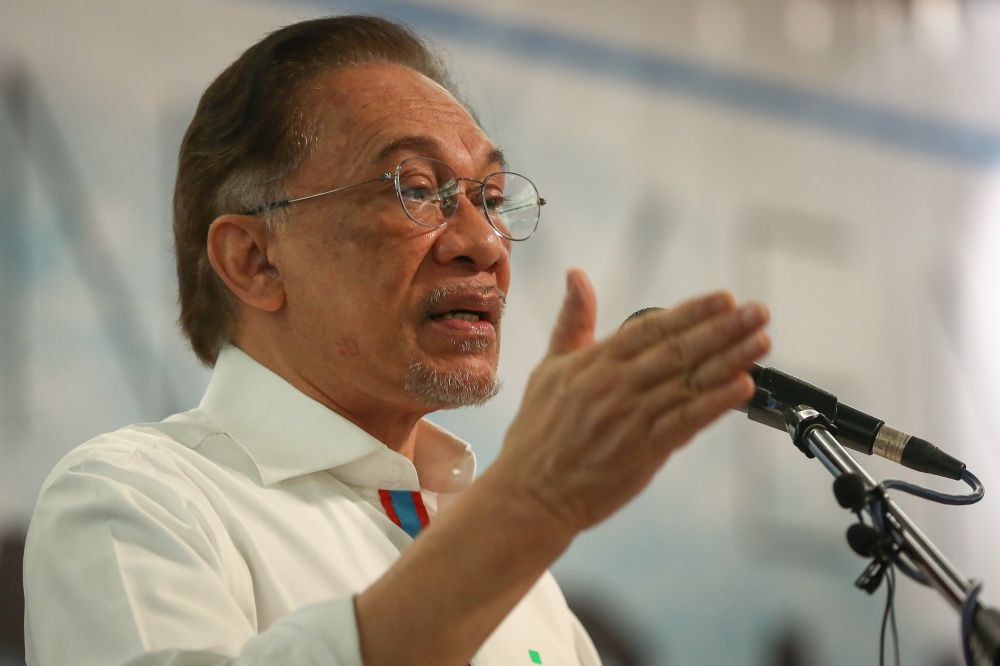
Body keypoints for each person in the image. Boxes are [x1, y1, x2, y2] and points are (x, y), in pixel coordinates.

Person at [22, 15, 771, 666]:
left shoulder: (526, 593)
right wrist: (529, 505)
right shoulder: (136, 498)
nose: (485, 243)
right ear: (254, 260)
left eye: (489, 194)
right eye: (415, 188)